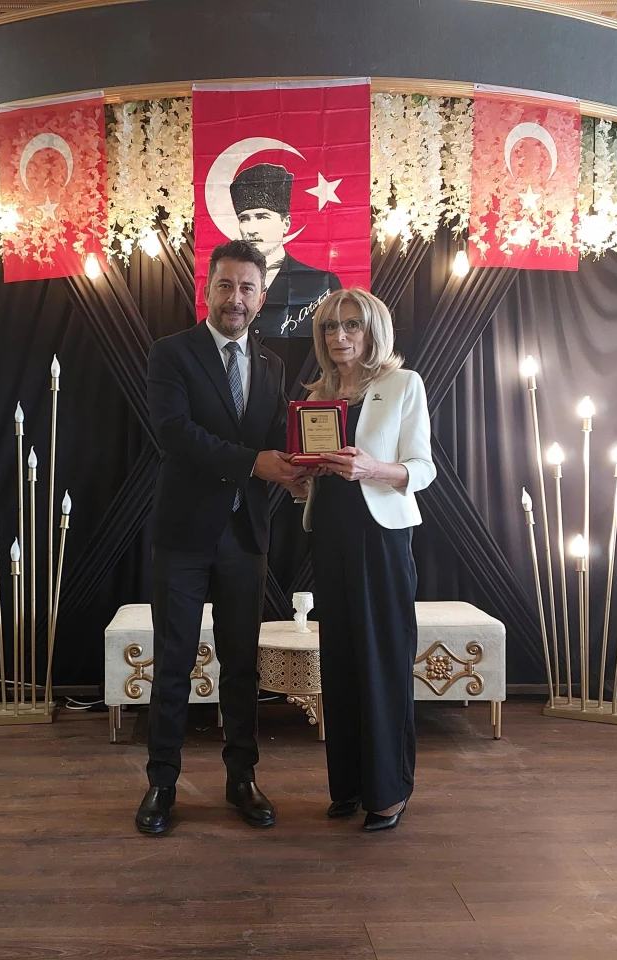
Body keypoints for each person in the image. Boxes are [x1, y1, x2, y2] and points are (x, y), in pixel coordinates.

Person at [135, 239, 304, 836]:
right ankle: (162, 783)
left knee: (241, 665)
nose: (236, 298)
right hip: (183, 534)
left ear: (262, 297)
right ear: (207, 289)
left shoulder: (272, 365)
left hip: (245, 535)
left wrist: (302, 467)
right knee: (174, 662)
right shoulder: (171, 353)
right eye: (226, 285)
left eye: (247, 288)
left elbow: (274, 439)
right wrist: (254, 462)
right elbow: (174, 433)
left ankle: (242, 779)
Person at [292, 289, 434, 831]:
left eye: (351, 325)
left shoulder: (403, 384)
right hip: (329, 533)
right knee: (341, 658)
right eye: (330, 326)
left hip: (380, 537)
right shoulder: (317, 395)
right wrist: (302, 482)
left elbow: (422, 468)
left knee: (382, 657)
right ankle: (348, 785)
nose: (339, 335)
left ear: (373, 330)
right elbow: (315, 475)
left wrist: (373, 469)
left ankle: (388, 790)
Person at [230, 163, 342, 339]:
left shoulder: (322, 283)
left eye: (262, 217)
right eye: (244, 219)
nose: (251, 229)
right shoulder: (228, 284)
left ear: (286, 223)